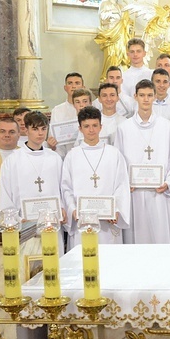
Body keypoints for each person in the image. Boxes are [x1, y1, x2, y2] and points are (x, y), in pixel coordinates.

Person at [115, 79, 170, 244]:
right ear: (135, 96)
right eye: (142, 95)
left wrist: (169, 182)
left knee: (160, 237)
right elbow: (119, 161)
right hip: (134, 193)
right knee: (137, 239)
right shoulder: (124, 128)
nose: (145, 99)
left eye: (149, 95)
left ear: (154, 97)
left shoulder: (165, 126)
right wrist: (124, 183)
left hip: (159, 193)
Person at [62, 106, 131, 248]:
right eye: (86, 126)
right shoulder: (72, 155)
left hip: (107, 222)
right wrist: (72, 209)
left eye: (95, 125)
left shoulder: (113, 154)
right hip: (83, 222)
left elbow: (121, 185)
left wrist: (117, 210)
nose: (91, 130)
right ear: (80, 128)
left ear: (101, 127)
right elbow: (66, 188)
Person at [0, 111, 65, 251]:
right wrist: (14, 221)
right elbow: (5, 195)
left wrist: (63, 208)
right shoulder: (13, 160)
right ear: (26, 130)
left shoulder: (55, 158)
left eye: (43, 129)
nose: (40, 133)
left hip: (51, 224)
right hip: (25, 225)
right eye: (35, 129)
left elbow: (62, 189)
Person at [47, 72, 84, 158]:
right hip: (64, 155)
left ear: (83, 87)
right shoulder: (57, 110)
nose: (73, 86)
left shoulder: (92, 109)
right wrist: (52, 144)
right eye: (70, 83)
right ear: (65, 88)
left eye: (77, 83)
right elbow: (53, 137)